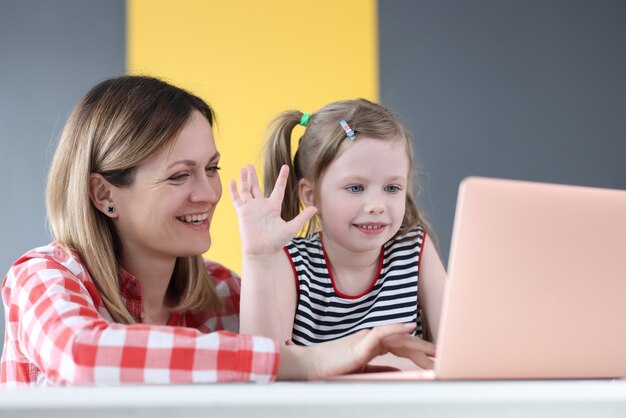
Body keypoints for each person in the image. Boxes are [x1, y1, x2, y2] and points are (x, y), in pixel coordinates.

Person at [1, 77, 429, 387]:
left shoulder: (225, 294)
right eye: (178, 176)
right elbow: (81, 356)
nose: (208, 194)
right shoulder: (44, 277)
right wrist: (296, 361)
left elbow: (324, 361)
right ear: (103, 193)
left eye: (211, 169)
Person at [230, 99, 446, 369]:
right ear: (311, 195)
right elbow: (263, 363)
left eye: (392, 188)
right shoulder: (292, 261)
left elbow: (460, 345)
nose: (376, 206)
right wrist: (258, 258)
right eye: (355, 188)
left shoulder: (414, 249)